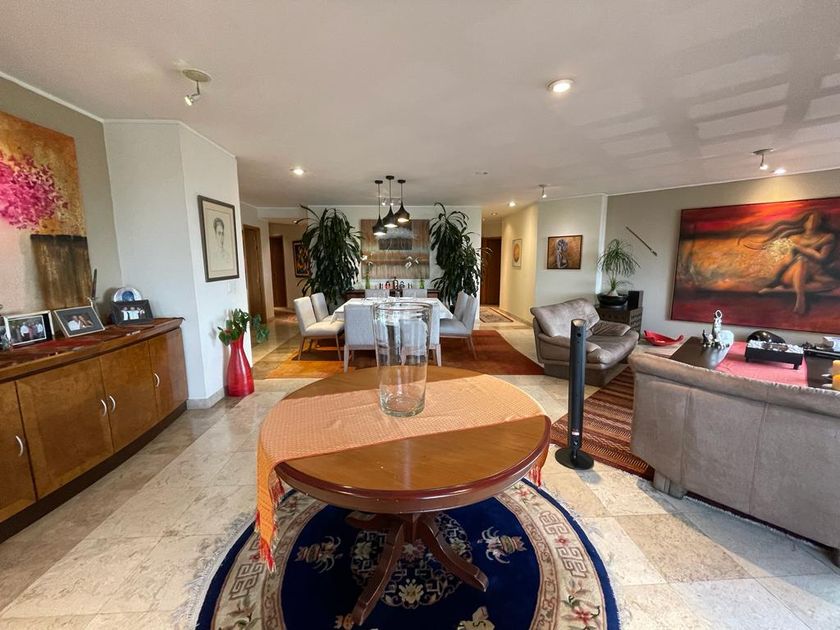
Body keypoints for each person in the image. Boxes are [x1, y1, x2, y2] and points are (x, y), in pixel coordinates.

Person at [740, 211, 838, 315]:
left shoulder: (827, 237)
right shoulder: (794, 238)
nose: (813, 222)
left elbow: (821, 258)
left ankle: (778, 290)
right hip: (791, 274)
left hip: (813, 274)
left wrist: (800, 248)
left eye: (817, 220)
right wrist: (811, 248)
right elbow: (787, 261)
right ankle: (800, 298)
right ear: (804, 222)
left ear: (821, 223)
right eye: (810, 219)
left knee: (828, 284)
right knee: (801, 260)